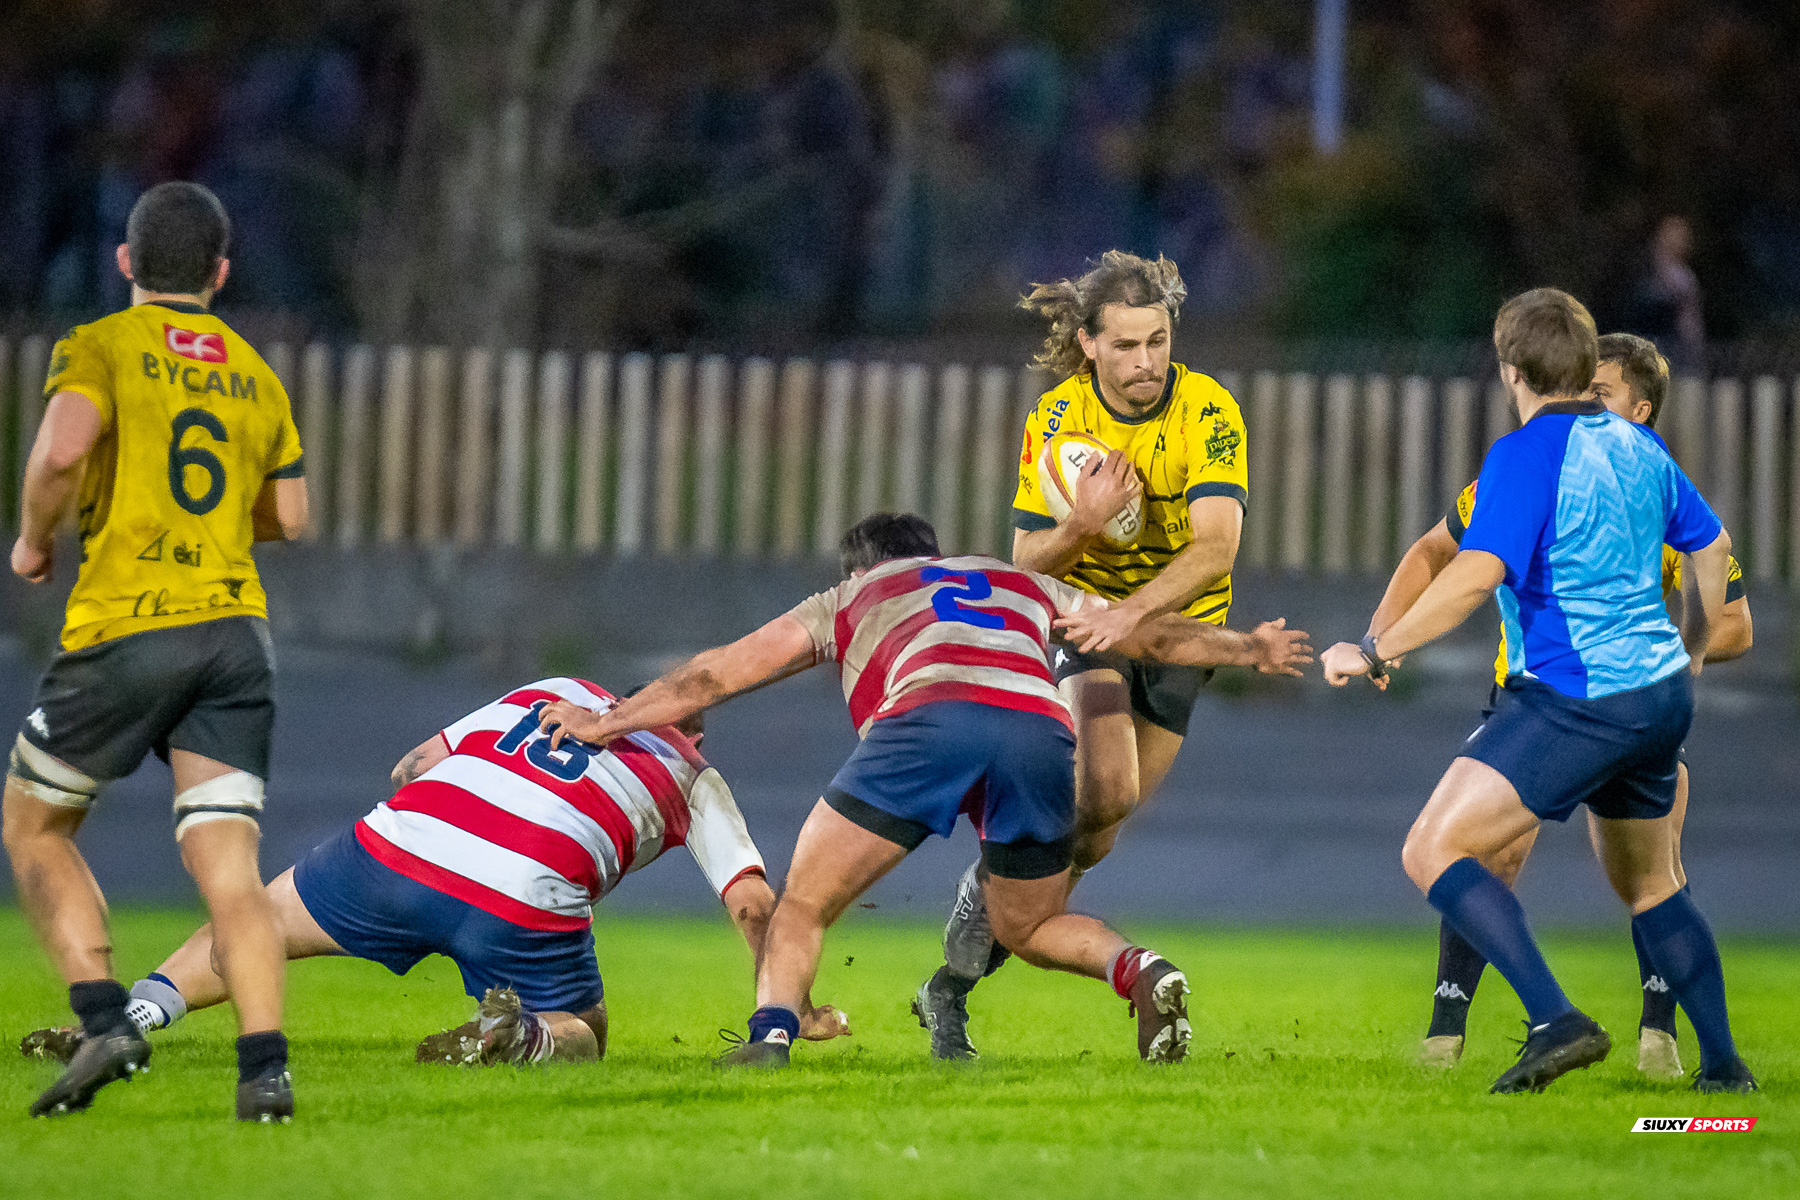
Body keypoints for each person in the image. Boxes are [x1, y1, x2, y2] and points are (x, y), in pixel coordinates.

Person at [536, 513, 1313, 1069]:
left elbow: (717, 674)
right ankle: (1140, 971)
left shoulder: (850, 595)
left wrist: (606, 722)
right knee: (1029, 925)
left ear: (856, 567)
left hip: (928, 720)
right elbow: (1146, 635)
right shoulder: (1021, 581)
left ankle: (771, 1032)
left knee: (805, 902)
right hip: (1037, 731)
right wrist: (1249, 646)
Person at [1322, 288, 1757, 1095]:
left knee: (1432, 848)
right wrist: (1690, 647)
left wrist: (1377, 647)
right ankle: (1725, 1078)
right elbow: (1715, 546)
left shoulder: (1523, 455)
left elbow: (1474, 575)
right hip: (1658, 700)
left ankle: (1556, 1019)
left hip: (1576, 699)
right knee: (1653, 884)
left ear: (1511, 369)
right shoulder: (1638, 447)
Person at [23, 678, 846, 1068]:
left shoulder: (551, 689)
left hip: (401, 846)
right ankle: (521, 1034)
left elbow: (414, 763)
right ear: (691, 725)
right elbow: (751, 906)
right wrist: (790, 1007)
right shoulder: (696, 776)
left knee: (257, 924)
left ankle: (132, 1015)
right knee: (586, 1033)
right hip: (522, 898)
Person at [5, 182, 309, 1121]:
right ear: (220, 274)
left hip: (129, 621)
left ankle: (104, 1019)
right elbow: (289, 518)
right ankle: (265, 1073)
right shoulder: (256, 374)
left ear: (126, 261)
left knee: (34, 823)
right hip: (236, 634)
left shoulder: (98, 346)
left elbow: (61, 451)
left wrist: (33, 540)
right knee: (228, 867)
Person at [916, 250, 1252, 1060]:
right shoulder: (1059, 420)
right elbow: (1024, 562)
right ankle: (984, 938)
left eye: (1159, 342)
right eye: (1128, 346)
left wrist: (1133, 613)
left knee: (1099, 829)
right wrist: (1084, 527)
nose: (1147, 364)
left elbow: (1216, 549)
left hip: (1176, 633)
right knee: (1105, 786)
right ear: (1091, 345)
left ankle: (952, 976)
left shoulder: (1208, 412)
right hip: (1080, 626)